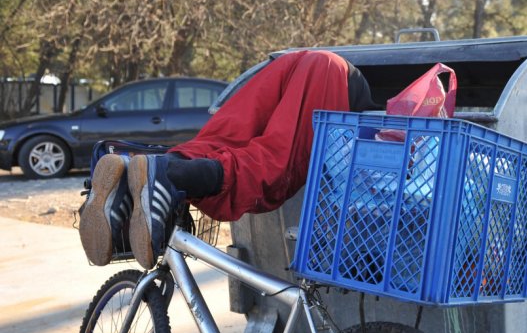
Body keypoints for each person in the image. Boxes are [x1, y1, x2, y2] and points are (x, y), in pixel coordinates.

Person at [78, 50, 380, 269]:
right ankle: (170, 174)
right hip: (332, 74)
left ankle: (132, 171)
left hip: (293, 61)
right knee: (277, 163)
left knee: (220, 141)